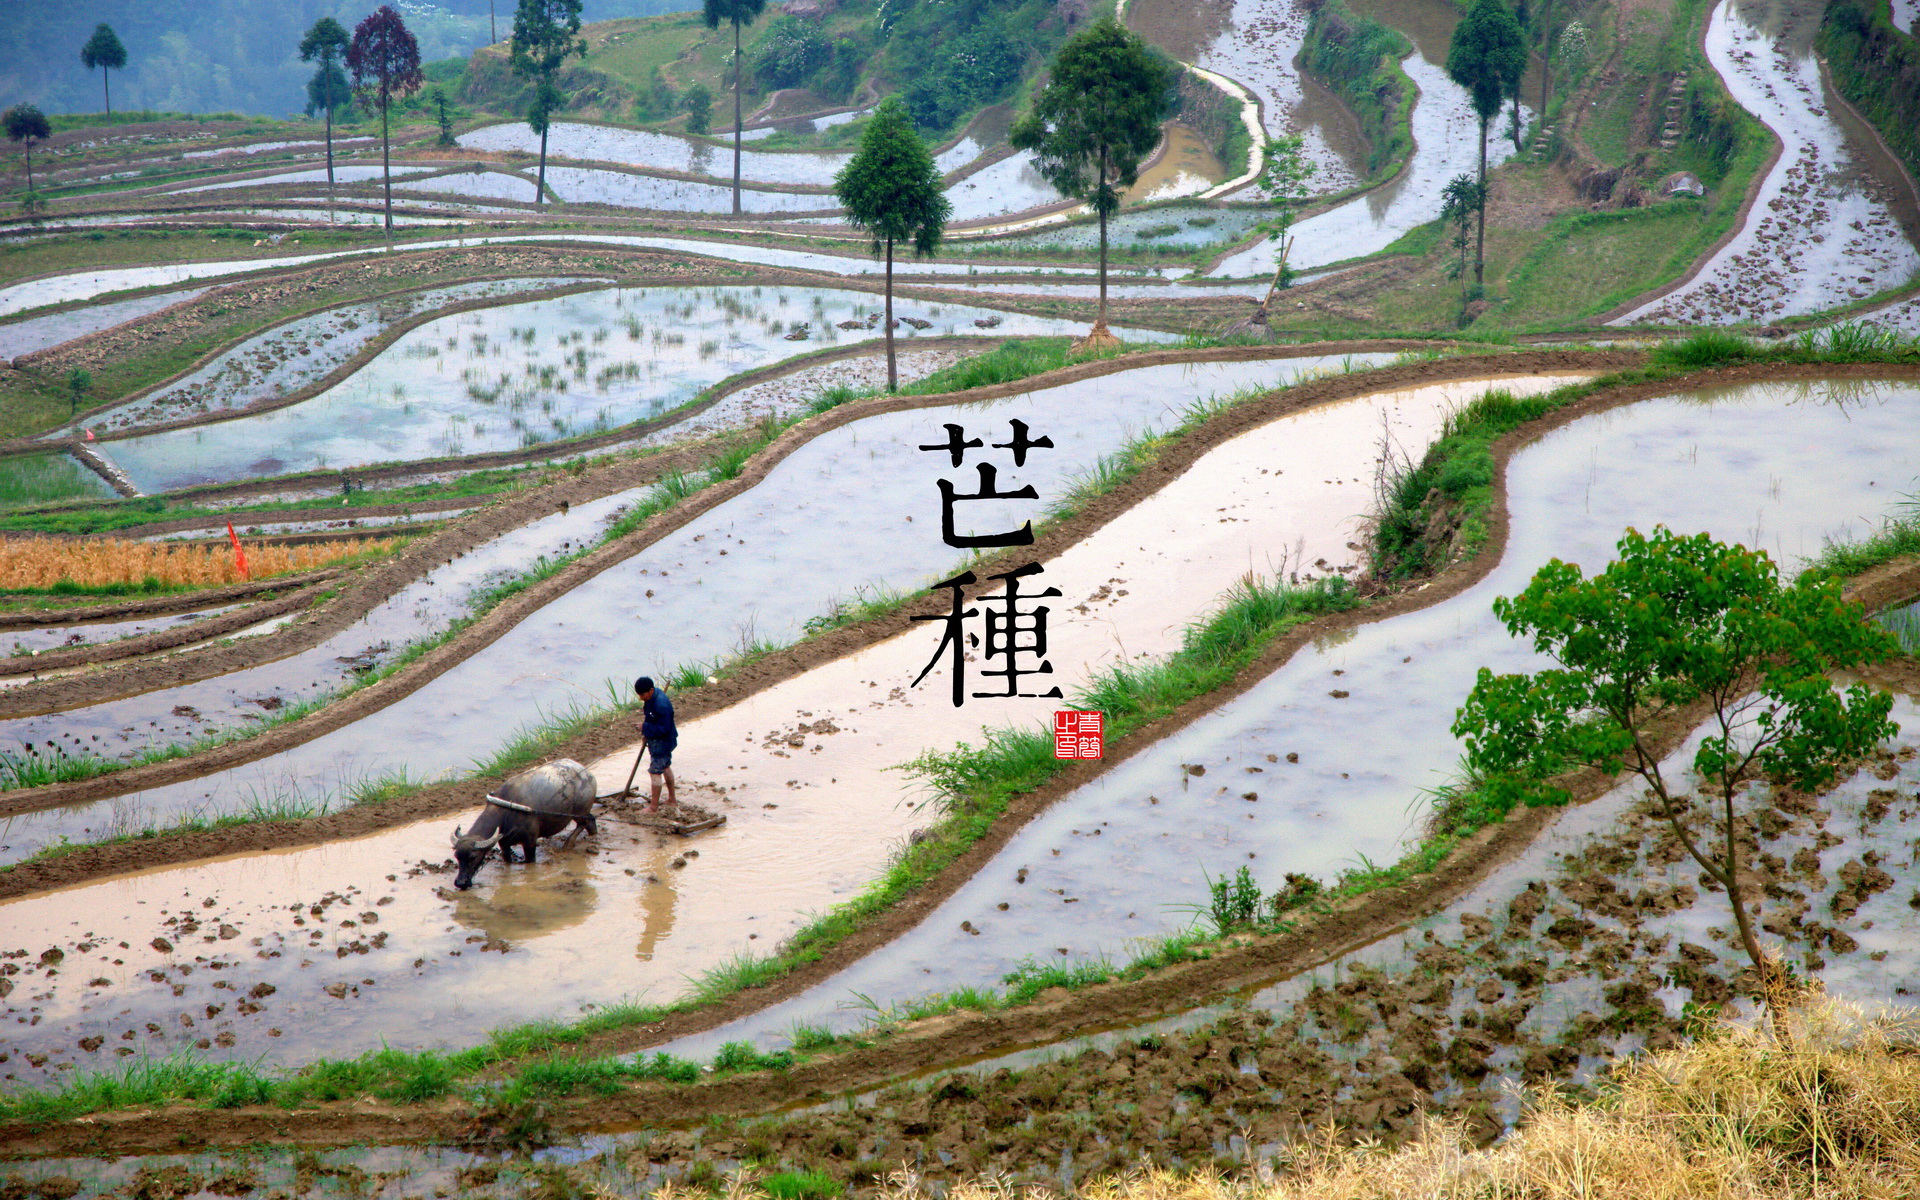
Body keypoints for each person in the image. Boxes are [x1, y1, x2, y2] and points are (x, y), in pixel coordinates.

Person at [634, 676, 678, 812]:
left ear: (650, 690)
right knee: (665, 767)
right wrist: (646, 733)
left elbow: (663, 729)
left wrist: (644, 728)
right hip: (661, 739)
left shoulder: (661, 705)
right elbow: (651, 718)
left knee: (655, 772)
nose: (641, 698)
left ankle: (653, 807)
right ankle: (672, 799)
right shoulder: (652, 698)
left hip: (662, 741)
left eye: (642, 694)